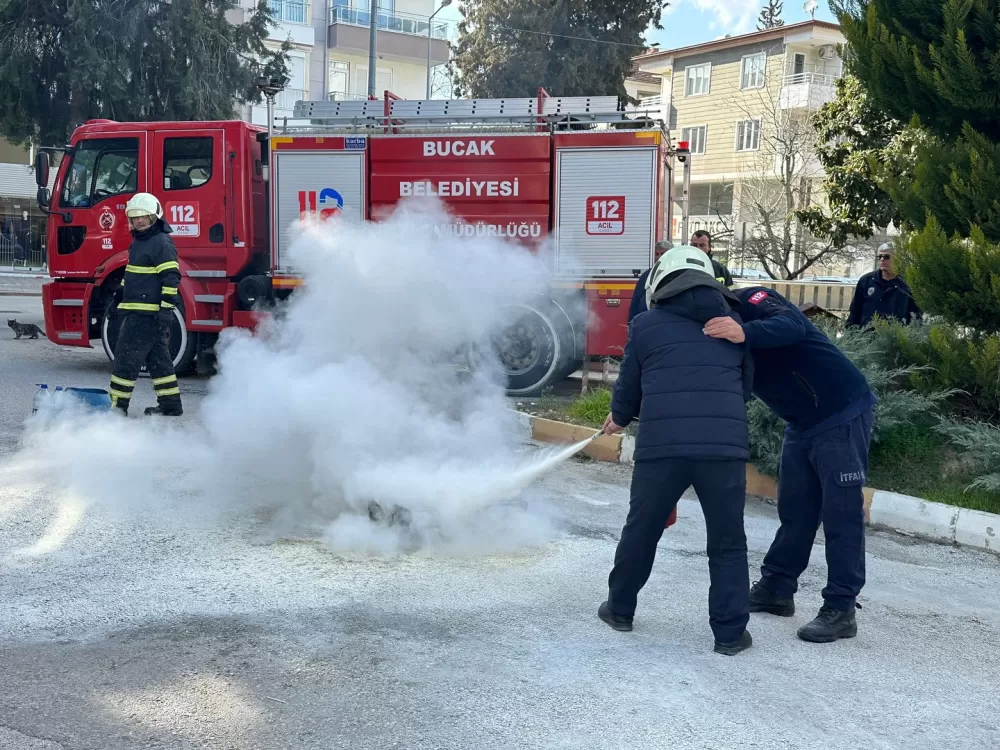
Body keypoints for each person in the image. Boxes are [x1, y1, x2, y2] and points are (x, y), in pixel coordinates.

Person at [599, 246, 755, 656]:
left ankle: (619, 610)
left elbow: (629, 387)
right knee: (727, 542)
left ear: (660, 284)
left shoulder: (645, 324)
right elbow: (747, 387)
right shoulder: (731, 324)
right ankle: (729, 635)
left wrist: (618, 417)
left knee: (643, 529)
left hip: (662, 448)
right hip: (724, 449)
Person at [703, 286, 875, 643]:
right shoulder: (708, 333)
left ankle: (841, 607)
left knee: (841, 513)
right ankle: (777, 589)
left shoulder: (754, 300)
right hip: (802, 421)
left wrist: (744, 331)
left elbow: (793, 325)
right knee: (795, 509)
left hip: (840, 410)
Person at [108, 192, 183, 417]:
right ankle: (170, 405)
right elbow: (131, 276)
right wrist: (117, 298)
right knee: (158, 360)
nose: (139, 221)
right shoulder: (138, 243)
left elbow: (171, 278)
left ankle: (117, 408)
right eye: (135, 217)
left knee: (125, 359)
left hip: (146, 314)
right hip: (138, 311)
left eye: (144, 216)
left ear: (155, 217)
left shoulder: (160, 242)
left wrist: (166, 311)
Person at [628, 232, 733, 323]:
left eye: (702, 245)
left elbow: (731, 298)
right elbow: (638, 301)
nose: (698, 249)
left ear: (710, 247)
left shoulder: (720, 270)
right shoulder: (650, 274)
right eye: (694, 245)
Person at [846, 242, 921, 328]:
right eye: (879, 257)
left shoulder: (907, 284)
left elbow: (916, 317)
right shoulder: (866, 281)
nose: (882, 259)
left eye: (886, 257)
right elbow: (855, 312)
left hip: (896, 337)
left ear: (897, 258)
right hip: (866, 337)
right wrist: (851, 334)